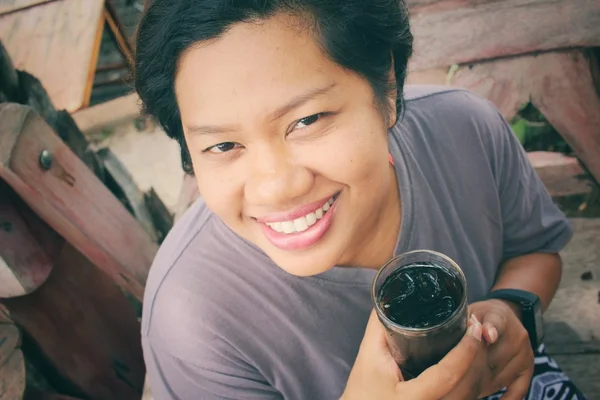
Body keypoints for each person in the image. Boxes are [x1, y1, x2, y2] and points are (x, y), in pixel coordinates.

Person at [134, 1, 587, 399]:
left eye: (307, 119)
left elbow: (536, 250)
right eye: (223, 146)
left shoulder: (467, 129)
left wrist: (511, 308)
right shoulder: (192, 319)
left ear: (386, 89)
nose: (275, 186)